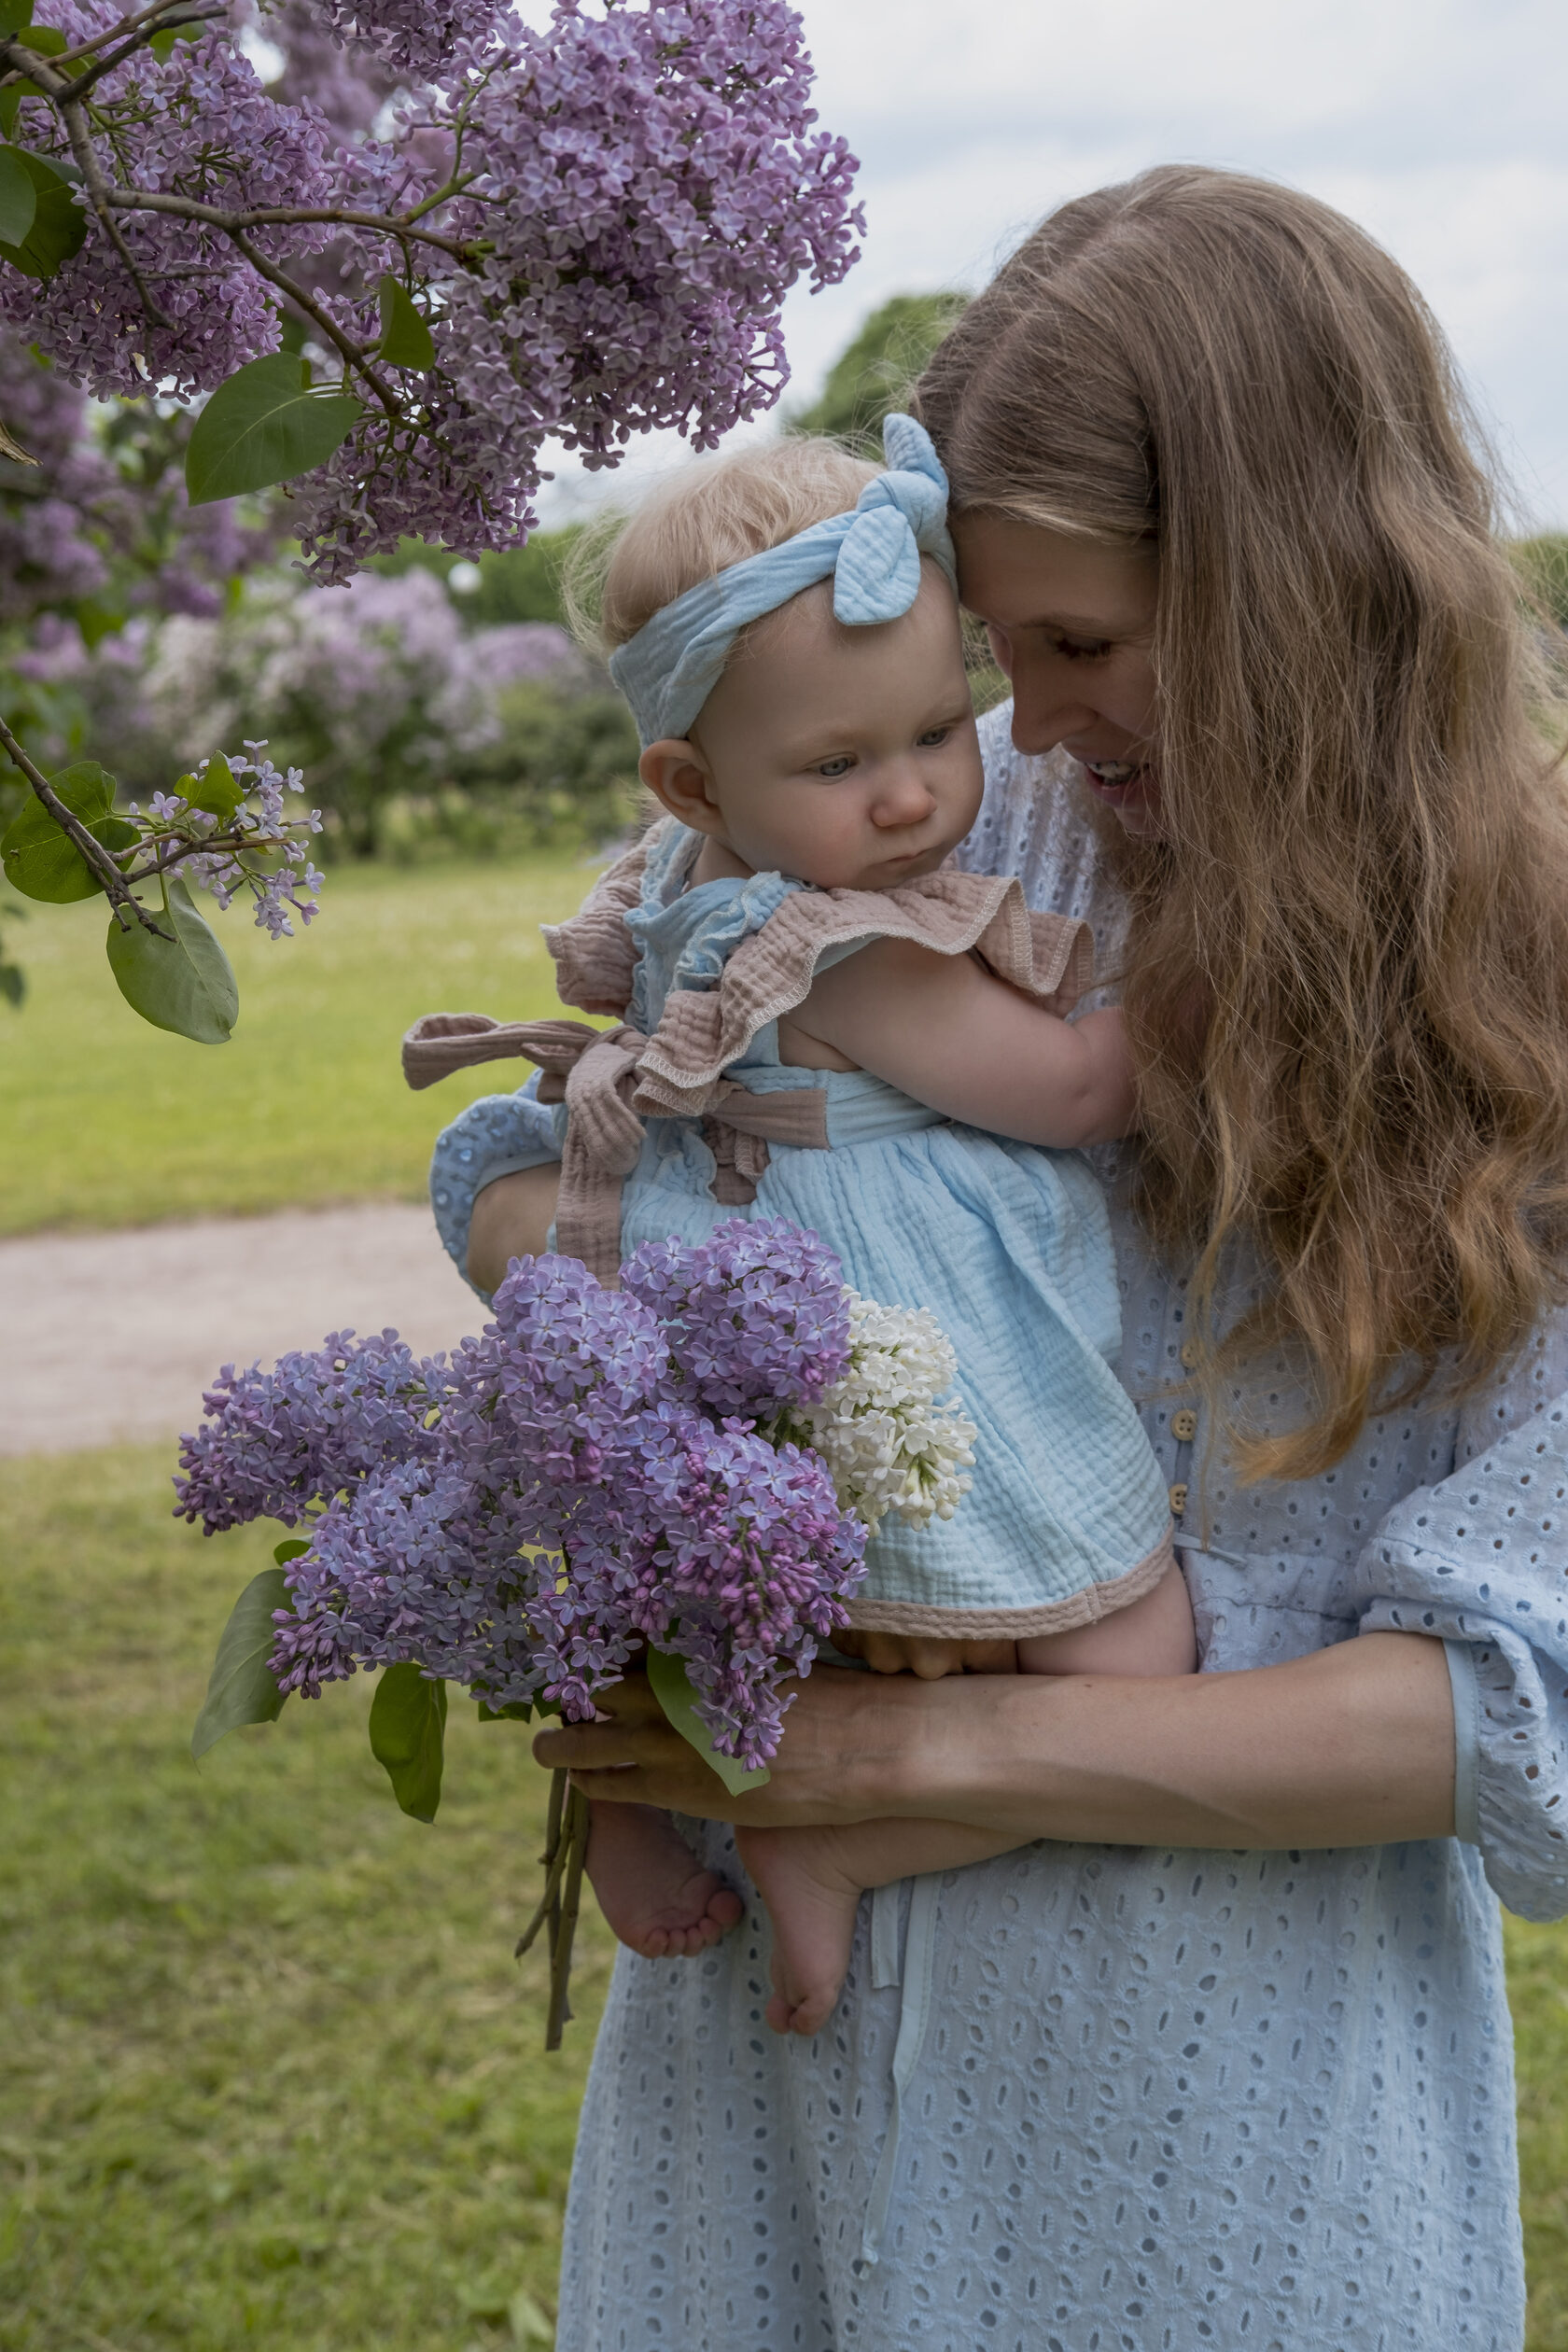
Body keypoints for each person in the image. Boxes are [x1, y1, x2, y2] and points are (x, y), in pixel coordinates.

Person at [435, 166, 1568, 2345]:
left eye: (1076, 647)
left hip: (1225, 2134)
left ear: (1299, 592)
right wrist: (628, 1320)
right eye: (991, 652)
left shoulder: (1524, 985)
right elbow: (531, 1141)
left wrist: (895, 1767)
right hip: (764, 2091)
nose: (1023, 730)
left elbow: (1520, 1706)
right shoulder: (922, 804)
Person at [413, 415, 1197, 2037]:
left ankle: (628, 1804)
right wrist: (1210, 961)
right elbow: (1065, 1093)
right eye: (842, 765)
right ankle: (842, 1844)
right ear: (694, 781)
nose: (914, 795)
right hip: (900, 1320)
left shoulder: (681, 881)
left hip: (738, 1268)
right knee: (1134, 1649)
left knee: (670, 1586)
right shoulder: (845, 944)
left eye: (935, 726)